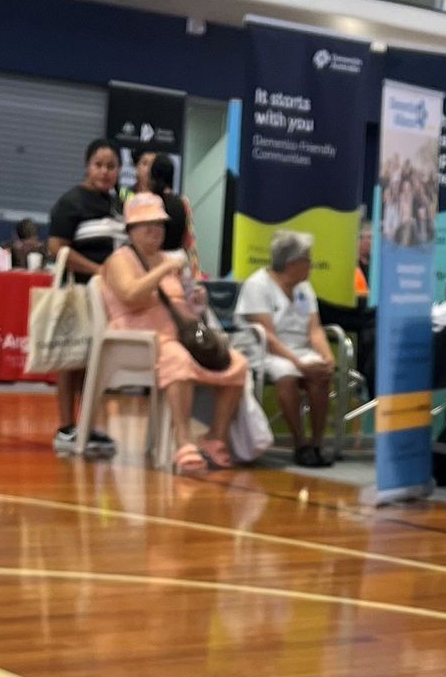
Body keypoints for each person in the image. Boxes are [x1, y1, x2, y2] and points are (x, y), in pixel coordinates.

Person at [95, 190, 246, 476]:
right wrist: (163, 269)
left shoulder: (169, 260)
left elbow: (179, 306)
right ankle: (183, 442)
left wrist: (195, 303)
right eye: (146, 224)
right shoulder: (120, 260)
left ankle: (216, 436)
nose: (155, 230)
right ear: (131, 229)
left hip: (175, 336)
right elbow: (130, 294)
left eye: (159, 224)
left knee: (236, 362)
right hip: (137, 341)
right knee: (177, 358)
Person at [45, 135, 124, 455]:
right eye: (99, 165)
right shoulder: (71, 202)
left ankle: (88, 425)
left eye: (111, 166)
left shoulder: (117, 204)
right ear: (87, 166)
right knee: (72, 358)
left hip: (108, 297)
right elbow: (57, 248)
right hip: (78, 292)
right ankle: (66, 428)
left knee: (95, 362)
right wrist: (96, 269)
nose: (105, 171)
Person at [237, 228, 334, 464]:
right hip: (265, 351)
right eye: (307, 260)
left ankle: (317, 444)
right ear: (292, 264)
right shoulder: (257, 286)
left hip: (300, 350)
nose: (311, 265)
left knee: (321, 374)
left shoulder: (304, 288)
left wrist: (327, 356)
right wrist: (298, 363)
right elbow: (268, 337)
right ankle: (300, 444)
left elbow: (314, 329)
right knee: (287, 374)